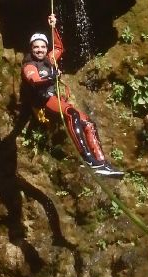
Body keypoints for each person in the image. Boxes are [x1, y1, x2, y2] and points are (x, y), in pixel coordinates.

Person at [21, 14, 123, 177]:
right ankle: (88, 159)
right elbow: (35, 81)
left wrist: (53, 28)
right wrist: (52, 77)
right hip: (43, 102)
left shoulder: (49, 59)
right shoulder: (30, 65)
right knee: (72, 114)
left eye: (42, 47)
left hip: (54, 99)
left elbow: (59, 48)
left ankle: (102, 164)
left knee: (89, 123)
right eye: (36, 47)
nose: (39, 50)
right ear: (31, 48)